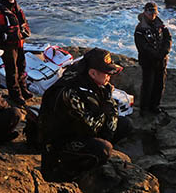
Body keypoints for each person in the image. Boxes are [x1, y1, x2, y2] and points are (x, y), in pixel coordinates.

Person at [37, 48, 133, 181]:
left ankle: (93, 158)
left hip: (81, 130)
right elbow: (91, 127)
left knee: (125, 124)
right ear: (92, 73)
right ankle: (67, 172)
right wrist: (107, 103)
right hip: (60, 143)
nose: (109, 76)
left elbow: (108, 126)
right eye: (106, 73)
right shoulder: (71, 92)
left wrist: (107, 104)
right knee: (103, 148)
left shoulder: (92, 83)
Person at [134, 2, 172, 115]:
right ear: (145, 12)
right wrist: (156, 55)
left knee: (159, 84)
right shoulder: (140, 29)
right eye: (150, 13)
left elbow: (168, 38)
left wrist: (165, 51)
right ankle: (144, 108)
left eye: (154, 13)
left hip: (162, 60)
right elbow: (142, 46)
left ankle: (155, 105)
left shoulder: (161, 25)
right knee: (148, 85)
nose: (152, 15)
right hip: (148, 61)